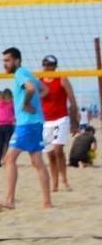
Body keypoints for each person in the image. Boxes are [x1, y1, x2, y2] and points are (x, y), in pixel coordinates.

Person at [0, 47, 52, 210]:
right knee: (37, 161)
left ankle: (9, 200)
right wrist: (34, 104)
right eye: (4, 61)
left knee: (9, 159)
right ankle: (47, 202)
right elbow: (45, 90)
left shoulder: (20, 74)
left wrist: (26, 104)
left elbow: (32, 89)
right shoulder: (27, 72)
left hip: (26, 123)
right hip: (35, 122)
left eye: (7, 60)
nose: (5, 64)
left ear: (17, 61)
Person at [39, 55, 80, 193]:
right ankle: (55, 183)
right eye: (45, 65)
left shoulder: (62, 79)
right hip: (46, 121)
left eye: (50, 65)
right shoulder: (39, 80)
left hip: (61, 118)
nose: (47, 68)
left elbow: (72, 100)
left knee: (58, 150)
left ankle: (64, 180)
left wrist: (75, 123)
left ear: (55, 66)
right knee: (50, 154)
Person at [0, 89, 15, 167]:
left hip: (0, 125)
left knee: (0, 144)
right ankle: (6, 160)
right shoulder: (10, 103)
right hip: (7, 125)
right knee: (8, 144)